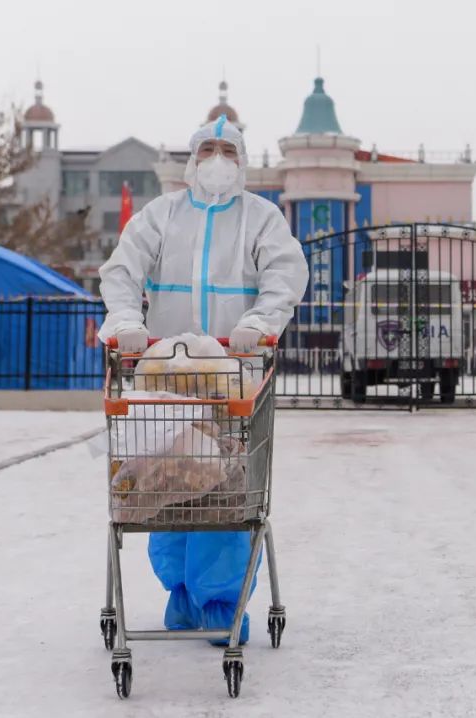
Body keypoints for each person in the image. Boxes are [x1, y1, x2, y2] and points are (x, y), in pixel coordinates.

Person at [98, 114, 308, 643]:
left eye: (228, 149)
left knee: (227, 489)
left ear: (241, 160)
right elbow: (122, 270)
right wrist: (125, 322)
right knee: (165, 483)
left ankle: (220, 600)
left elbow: (285, 274)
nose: (218, 159)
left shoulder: (260, 219)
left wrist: (259, 323)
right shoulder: (161, 215)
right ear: (193, 159)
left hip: (235, 380)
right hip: (167, 377)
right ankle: (183, 591)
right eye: (209, 148)